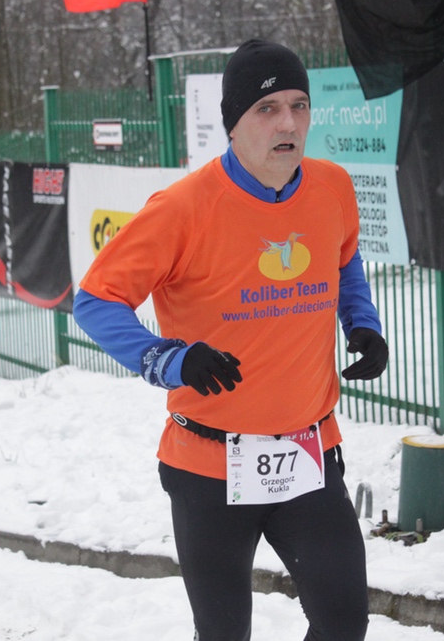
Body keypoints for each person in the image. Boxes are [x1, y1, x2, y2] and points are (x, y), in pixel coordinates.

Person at [73, 38, 388, 641]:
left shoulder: (332, 187)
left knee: (344, 623)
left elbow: (345, 258)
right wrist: (168, 359)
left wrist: (362, 323)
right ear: (233, 123)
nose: (288, 123)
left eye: (299, 105)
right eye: (267, 109)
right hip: (208, 464)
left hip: (307, 455)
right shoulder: (183, 208)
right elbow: (95, 300)